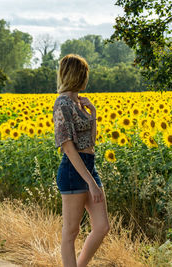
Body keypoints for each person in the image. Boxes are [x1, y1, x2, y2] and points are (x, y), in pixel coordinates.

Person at [53, 54, 110, 267]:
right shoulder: (63, 103)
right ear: (77, 74)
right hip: (73, 170)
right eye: (85, 73)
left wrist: (92, 112)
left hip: (88, 165)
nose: (87, 77)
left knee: (102, 227)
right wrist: (91, 184)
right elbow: (68, 147)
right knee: (71, 231)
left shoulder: (78, 102)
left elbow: (91, 141)